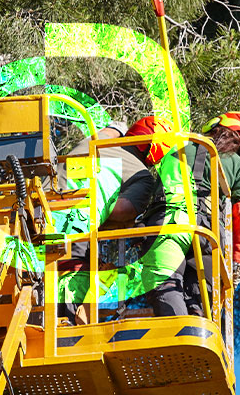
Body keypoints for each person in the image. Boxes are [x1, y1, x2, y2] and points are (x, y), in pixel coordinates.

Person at [128, 111, 240, 317]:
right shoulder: (238, 165)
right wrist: (238, 260)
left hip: (168, 225)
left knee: (166, 287)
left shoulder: (179, 147)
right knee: (199, 301)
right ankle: (193, 335)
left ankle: (179, 333)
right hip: (209, 238)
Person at [55, 117, 169, 322]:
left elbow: (108, 132)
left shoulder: (92, 141)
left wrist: (116, 128)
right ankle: (69, 318)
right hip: (75, 226)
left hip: (38, 211)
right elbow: (123, 210)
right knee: (75, 274)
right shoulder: (141, 175)